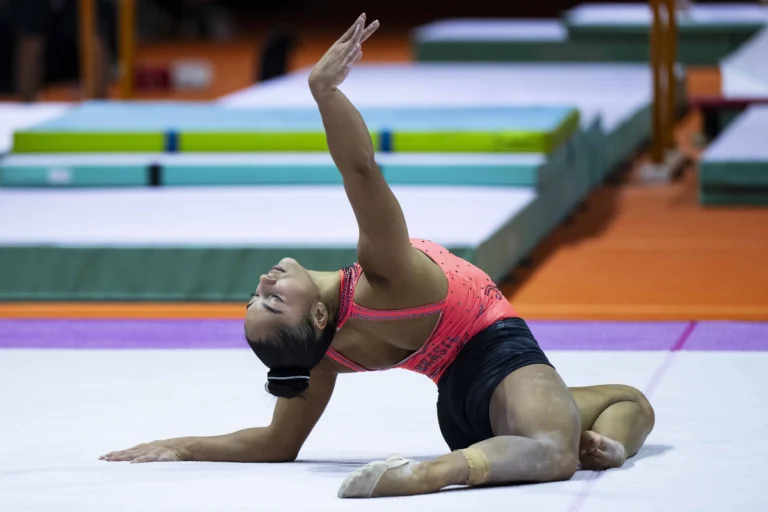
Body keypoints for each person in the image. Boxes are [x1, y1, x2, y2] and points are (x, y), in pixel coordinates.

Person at [101, 14, 655, 499]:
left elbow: (276, 445)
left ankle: (602, 448)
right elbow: (361, 170)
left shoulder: (316, 356)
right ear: (317, 317)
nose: (264, 282)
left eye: (257, 295)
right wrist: (326, 94)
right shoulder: (382, 278)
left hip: (465, 418)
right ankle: (431, 475)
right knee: (558, 449)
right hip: (498, 359)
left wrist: (176, 445)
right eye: (271, 301)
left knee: (629, 406)